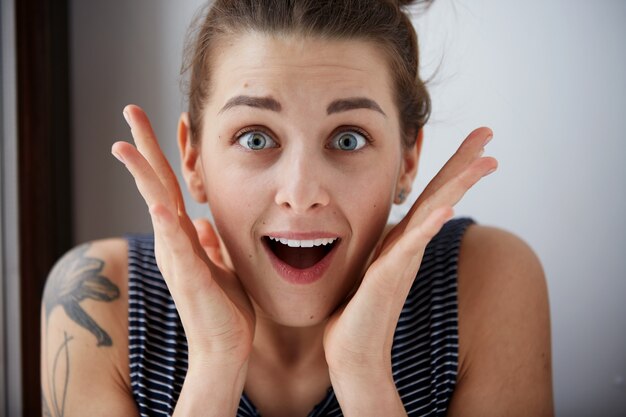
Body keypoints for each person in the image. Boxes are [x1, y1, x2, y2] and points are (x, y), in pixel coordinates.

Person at [40, 0, 553, 416]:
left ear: (407, 159)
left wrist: (364, 373)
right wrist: (215, 368)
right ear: (193, 158)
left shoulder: (484, 281)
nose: (302, 191)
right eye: (256, 137)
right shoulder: (96, 301)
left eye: (348, 139)